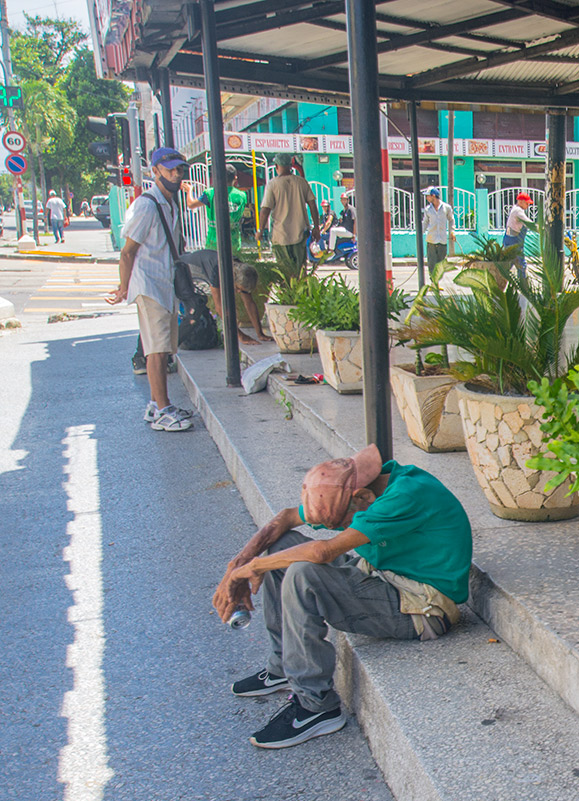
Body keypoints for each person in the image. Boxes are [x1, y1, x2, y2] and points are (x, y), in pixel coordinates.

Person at [212, 445, 472, 749]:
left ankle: (315, 707)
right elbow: (284, 519)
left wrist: (251, 569)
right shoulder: (366, 484)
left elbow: (323, 551)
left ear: (361, 497)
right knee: (281, 547)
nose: (345, 527)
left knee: (302, 573)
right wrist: (238, 564)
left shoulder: (405, 495)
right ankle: (283, 666)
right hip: (379, 576)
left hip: (421, 607)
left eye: (344, 521)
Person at [105, 147, 194, 432]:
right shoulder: (147, 205)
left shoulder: (170, 202)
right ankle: (163, 410)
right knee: (155, 350)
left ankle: (158, 405)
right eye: (170, 170)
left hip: (163, 281)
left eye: (179, 170)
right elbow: (127, 252)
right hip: (150, 283)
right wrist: (123, 286)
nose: (176, 175)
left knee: (165, 346)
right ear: (155, 172)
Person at [260, 153, 319, 278]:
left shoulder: (273, 184)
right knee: (301, 271)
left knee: (285, 273)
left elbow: (265, 210)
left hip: (281, 235)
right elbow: (313, 205)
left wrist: (260, 231)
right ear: (290, 166)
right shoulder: (301, 182)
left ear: (276, 166)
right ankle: (301, 296)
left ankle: (288, 296)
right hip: (300, 233)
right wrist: (316, 227)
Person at [185, 163, 246, 255]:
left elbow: (191, 204)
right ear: (235, 178)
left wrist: (189, 190)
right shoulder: (242, 195)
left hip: (213, 242)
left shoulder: (210, 193)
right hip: (234, 242)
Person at [502, 192, 535, 279]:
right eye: (527, 203)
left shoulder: (515, 209)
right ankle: (523, 285)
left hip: (508, 238)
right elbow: (528, 223)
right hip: (514, 240)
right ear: (520, 202)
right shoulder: (518, 211)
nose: (528, 205)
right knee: (521, 264)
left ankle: (499, 279)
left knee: (509, 263)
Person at [422, 186, 454, 273]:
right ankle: (434, 283)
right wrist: (420, 232)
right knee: (432, 263)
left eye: (428, 196)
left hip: (442, 240)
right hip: (431, 240)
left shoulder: (446, 208)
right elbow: (425, 222)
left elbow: (451, 220)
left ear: (433, 196)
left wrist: (452, 232)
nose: (427, 198)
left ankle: (437, 283)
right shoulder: (428, 209)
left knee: (440, 265)